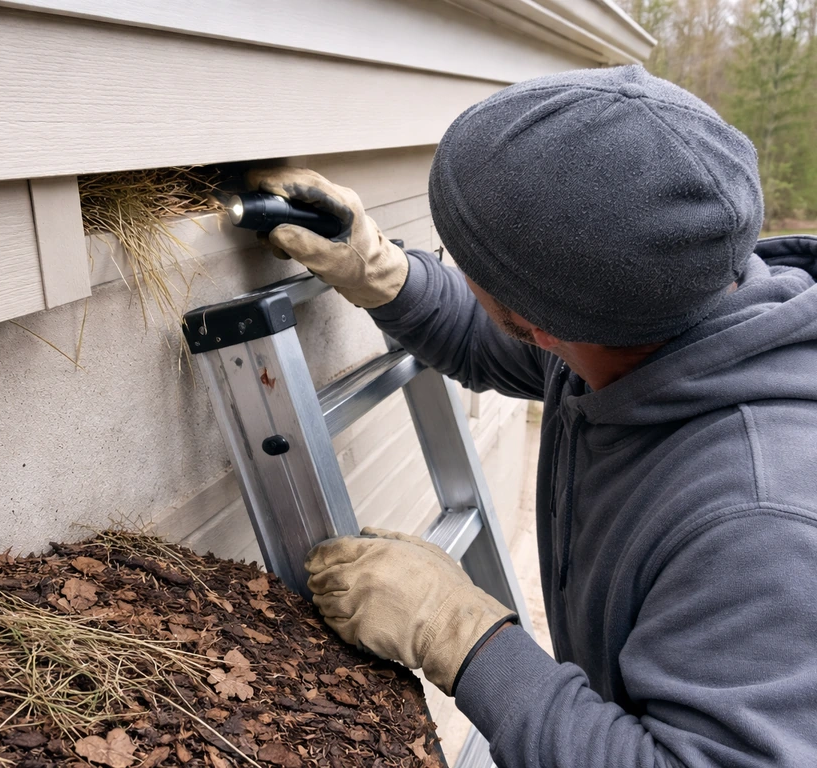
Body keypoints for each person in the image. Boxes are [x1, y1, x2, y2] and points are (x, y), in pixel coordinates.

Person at [249, 65, 817, 766]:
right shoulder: (658, 322)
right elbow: (502, 339)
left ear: (543, 321)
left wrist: (464, 637)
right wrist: (383, 273)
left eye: (465, 260)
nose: (458, 267)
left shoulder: (760, 525)